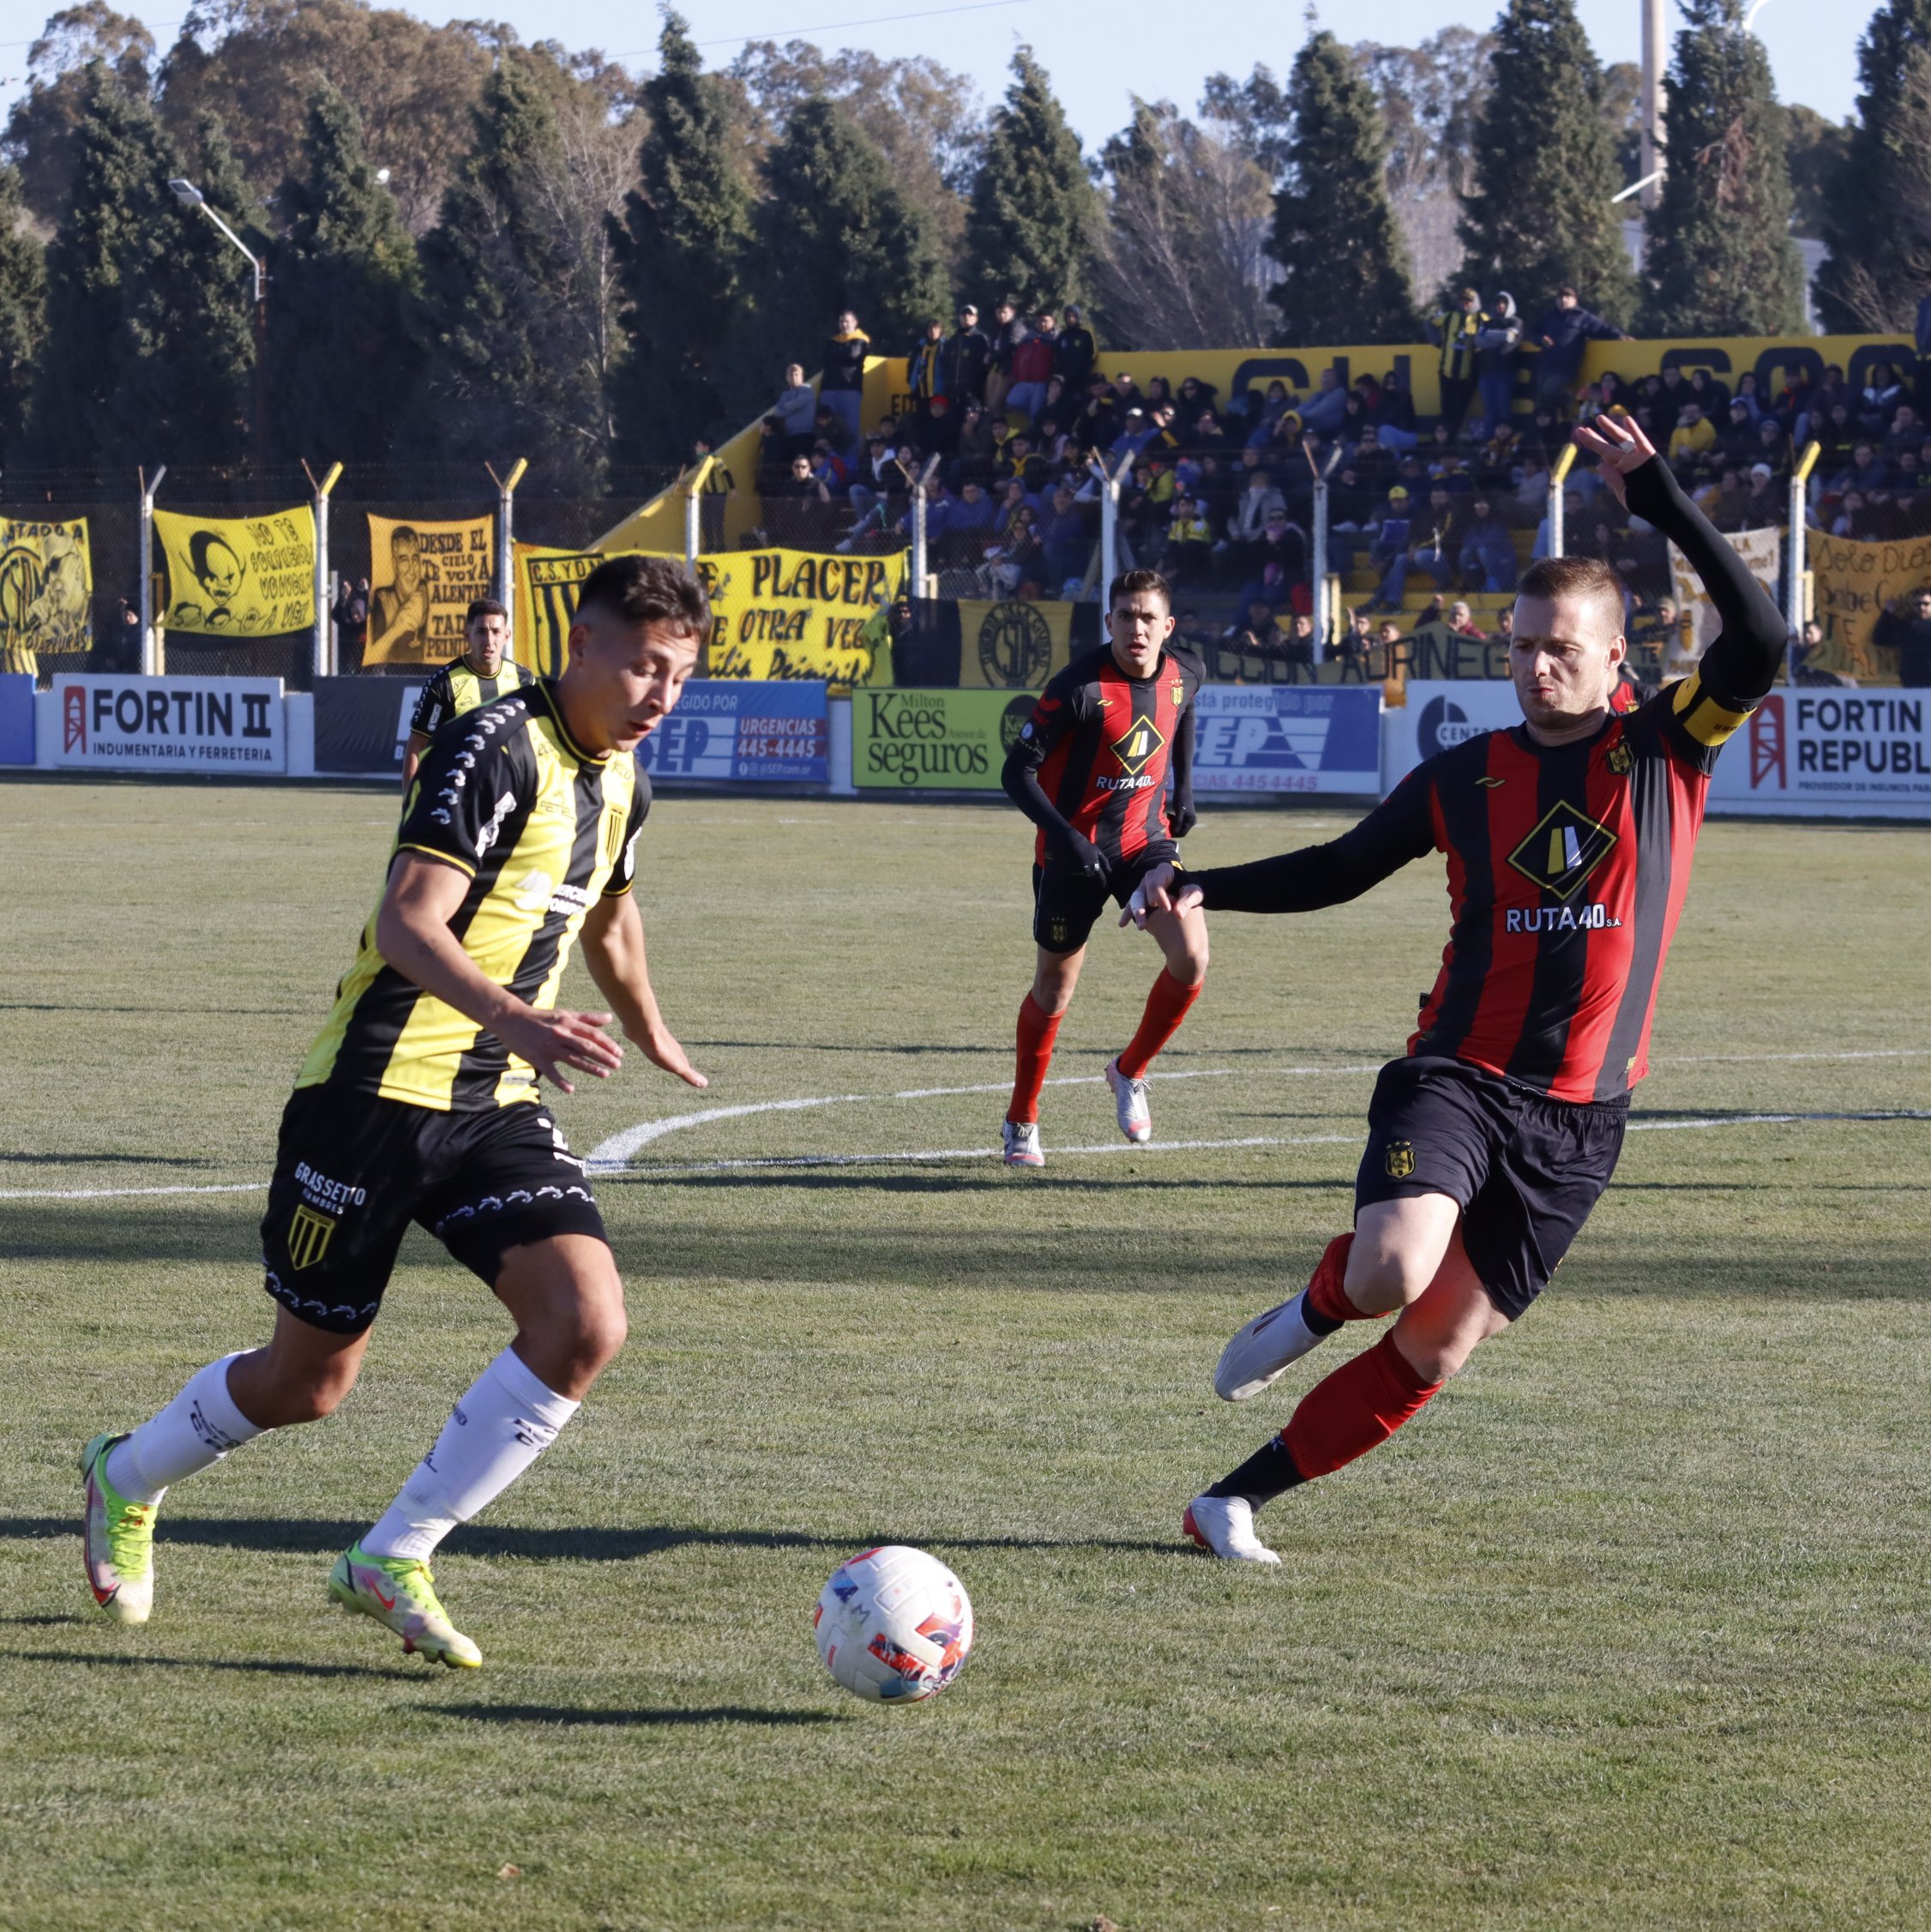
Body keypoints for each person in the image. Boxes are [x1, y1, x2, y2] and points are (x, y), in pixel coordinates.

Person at [1128, 416, 1786, 1564]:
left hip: (1584, 1122)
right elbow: (1340, 867)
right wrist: (1200, 886)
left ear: (1616, 661)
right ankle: (1314, 1307)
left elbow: (1764, 635)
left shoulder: (1666, 747)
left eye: (1561, 649)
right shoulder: (1464, 774)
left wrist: (1658, 498)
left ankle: (1228, 1503)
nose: (1534, 666)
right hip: (1459, 1076)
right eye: (1521, 645)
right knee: (1391, 1269)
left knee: (1435, 1346)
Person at [80, 556, 715, 1662]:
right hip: (369, 1097)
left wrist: (650, 1026)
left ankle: (393, 1554)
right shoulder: (494, 746)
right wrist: (520, 1019)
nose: (659, 694)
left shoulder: (624, 781)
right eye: (642, 666)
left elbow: (611, 912)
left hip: (493, 1102)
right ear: (581, 645)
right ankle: (125, 1475)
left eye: (678, 676)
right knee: (306, 1385)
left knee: (584, 1323)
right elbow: (408, 921)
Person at [998, 569, 1206, 1168]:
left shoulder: (1185, 671)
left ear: (1167, 626)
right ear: (1109, 621)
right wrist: (1068, 839)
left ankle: (1129, 1070)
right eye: (1126, 616)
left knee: (1192, 956)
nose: (1137, 628)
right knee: (1053, 989)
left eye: (1148, 618)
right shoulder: (1078, 688)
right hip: (1071, 855)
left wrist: (1184, 789)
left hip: (1145, 845)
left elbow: (1185, 707)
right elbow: (1016, 772)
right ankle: (1021, 1121)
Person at [401, 598, 532, 785]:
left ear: (506, 636)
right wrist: (410, 800)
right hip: (457, 792)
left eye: (496, 632)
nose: (489, 640)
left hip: (509, 790)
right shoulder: (443, 684)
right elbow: (418, 744)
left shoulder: (524, 680)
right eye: (481, 631)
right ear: (467, 635)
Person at [1529, 286, 1629, 409]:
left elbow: (1602, 328)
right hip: (1545, 364)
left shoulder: (1582, 317)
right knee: (1541, 398)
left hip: (1565, 367)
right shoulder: (1548, 317)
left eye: (1567, 297)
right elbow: (1533, 333)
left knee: (1548, 391)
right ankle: (1556, 414)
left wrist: (1619, 335)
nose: (1563, 300)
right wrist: (1540, 339)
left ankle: (1566, 398)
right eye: (1560, 297)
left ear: (1575, 300)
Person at [1428, 286, 1486, 436]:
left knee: (1459, 412)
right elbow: (1429, 323)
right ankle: (1443, 441)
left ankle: (1453, 440)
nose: (1465, 303)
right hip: (1446, 372)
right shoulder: (1449, 317)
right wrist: (1437, 341)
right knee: (1445, 410)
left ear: (1475, 303)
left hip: (1467, 376)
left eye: (1469, 301)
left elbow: (1493, 329)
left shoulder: (1481, 318)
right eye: (1463, 300)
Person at [1473, 292, 1523, 439]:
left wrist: (1487, 335)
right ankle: (1489, 445)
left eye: (1504, 303)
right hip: (1486, 373)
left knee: (1504, 411)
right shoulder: (1488, 322)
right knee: (1489, 411)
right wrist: (1499, 338)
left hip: (1506, 372)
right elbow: (1478, 341)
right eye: (1498, 303)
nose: (1500, 306)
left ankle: (1507, 444)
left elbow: (1509, 337)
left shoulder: (1516, 322)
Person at [818, 310, 869, 446]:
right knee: (828, 429)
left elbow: (853, 354)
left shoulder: (861, 340)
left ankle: (850, 459)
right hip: (829, 389)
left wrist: (836, 354)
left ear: (855, 323)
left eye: (847, 321)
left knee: (851, 430)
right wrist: (842, 354)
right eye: (841, 321)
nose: (844, 324)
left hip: (850, 390)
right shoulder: (833, 341)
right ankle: (830, 458)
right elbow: (823, 357)